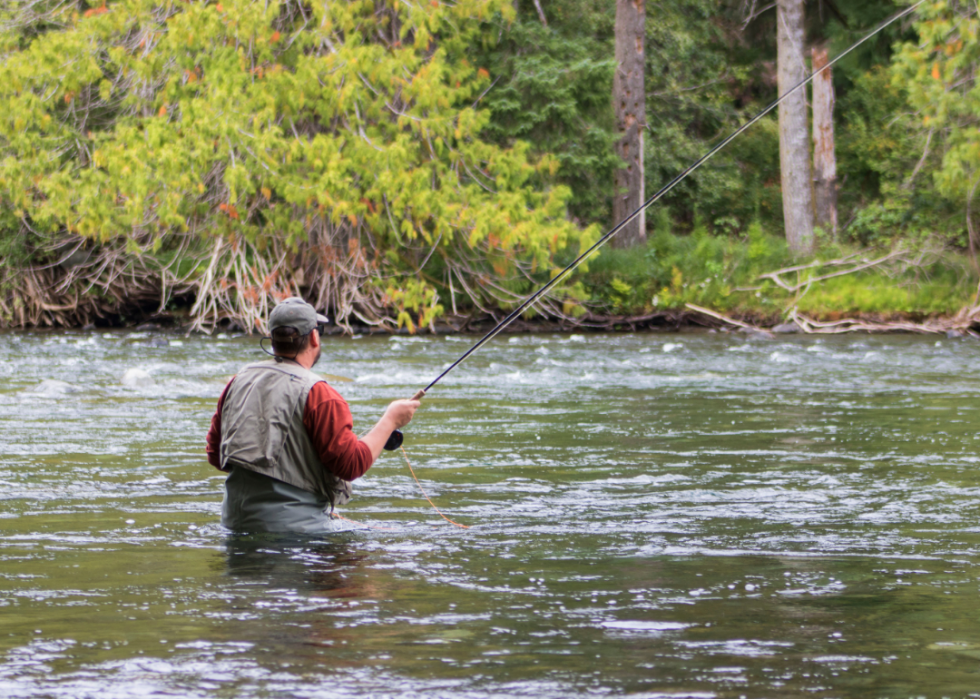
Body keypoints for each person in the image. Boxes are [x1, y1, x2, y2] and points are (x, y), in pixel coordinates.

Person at [205, 297, 419, 533]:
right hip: (297, 536)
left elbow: (216, 456)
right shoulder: (320, 394)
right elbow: (351, 465)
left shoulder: (237, 382)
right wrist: (391, 420)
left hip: (234, 525)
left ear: (273, 339)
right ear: (315, 337)